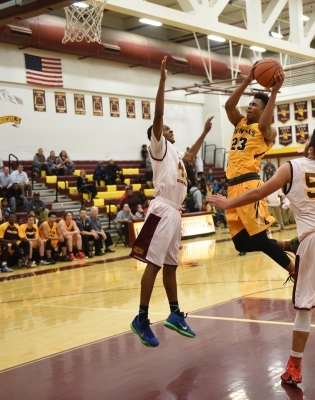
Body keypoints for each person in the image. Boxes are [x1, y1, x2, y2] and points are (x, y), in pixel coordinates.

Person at [208, 127, 315, 383]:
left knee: (304, 307)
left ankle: (294, 368)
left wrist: (228, 203)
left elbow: (258, 192)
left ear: (310, 148)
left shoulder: (292, 166)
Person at [129, 56, 212, 347]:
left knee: (171, 265)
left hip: (176, 213)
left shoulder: (175, 154)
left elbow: (189, 157)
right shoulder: (159, 148)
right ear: (156, 135)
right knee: (152, 264)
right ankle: (141, 318)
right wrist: (163, 81)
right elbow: (159, 115)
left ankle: (175, 313)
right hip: (161, 208)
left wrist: (204, 133)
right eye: (165, 129)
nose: (169, 130)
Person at [223, 63, 295, 275]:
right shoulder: (240, 123)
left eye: (254, 105)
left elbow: (264, 125)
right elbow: (229, 106)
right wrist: (247, 79)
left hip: (248, 184)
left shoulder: (268, 131)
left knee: (261, 239)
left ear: (264, 110)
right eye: (250, 104)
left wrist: (273, 93)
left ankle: (295, 270)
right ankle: (287, 245)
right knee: (241, 244)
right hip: (232, 186)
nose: (249, 107)